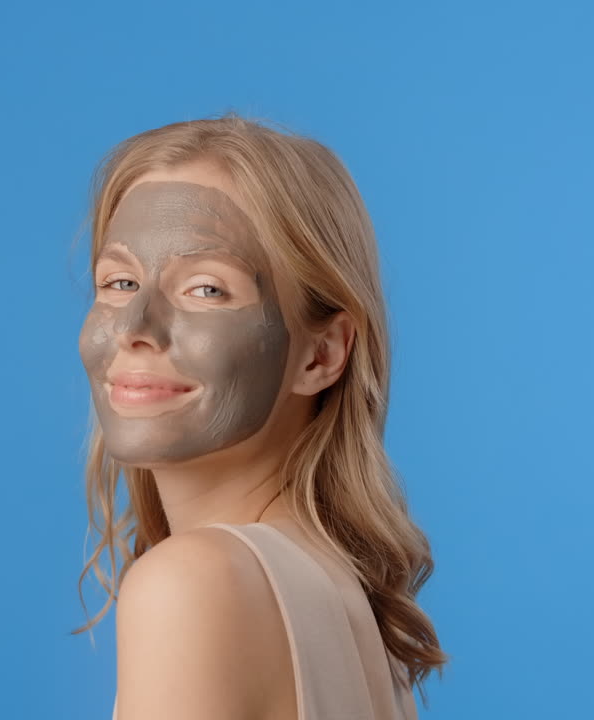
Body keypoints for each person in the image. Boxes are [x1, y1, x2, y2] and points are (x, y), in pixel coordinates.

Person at [72, 112, 448, 720]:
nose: (135, 330)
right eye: (118, 282)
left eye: (206, 289)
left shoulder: (194, 585)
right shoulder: (342, 600)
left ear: (321, 355)